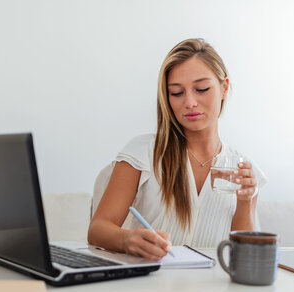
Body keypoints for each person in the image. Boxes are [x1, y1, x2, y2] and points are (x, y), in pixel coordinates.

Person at [88, 38, 267, 261]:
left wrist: (245, 200)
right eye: (176, 93)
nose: (190, 102)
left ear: (224, 88)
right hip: (150, 289)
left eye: (201, 89)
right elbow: (97, 229)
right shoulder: (143, 152)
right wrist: (127, 240)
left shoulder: (242, 169)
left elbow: (246, 255)